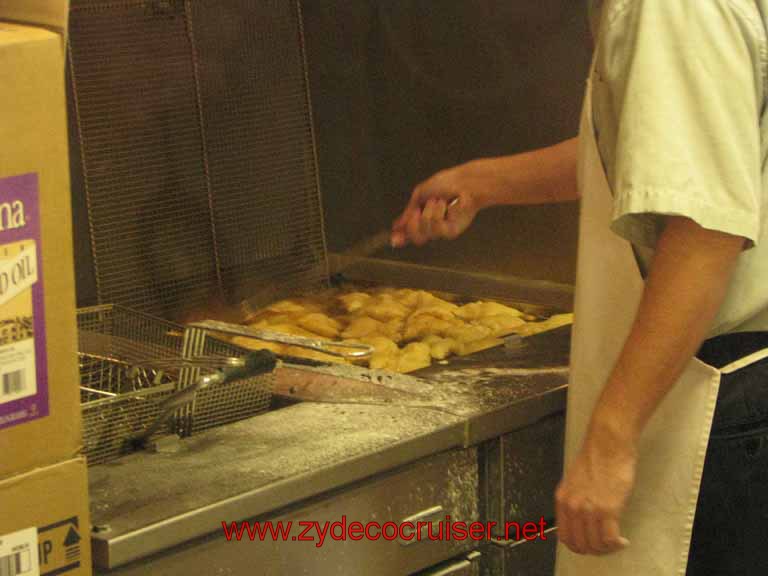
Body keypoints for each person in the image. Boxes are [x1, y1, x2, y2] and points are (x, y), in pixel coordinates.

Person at [391, 1, 768, 574]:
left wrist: (610, 442)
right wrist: (483, 183)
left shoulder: (670, 10)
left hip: (717, 398)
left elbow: (704, 230)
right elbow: (660, 144)